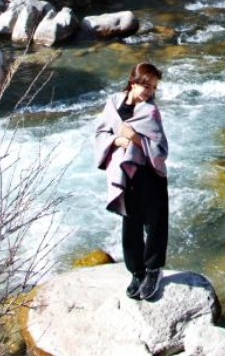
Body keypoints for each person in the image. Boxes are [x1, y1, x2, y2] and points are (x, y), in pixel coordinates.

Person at [94, 63, 169, 301]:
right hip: (124, 174)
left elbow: (160, 149)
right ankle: (137, 272)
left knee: (155, 224)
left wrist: (135, 138)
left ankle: (153, 270)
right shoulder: (113, 103)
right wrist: (117, 141)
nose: (149, 91)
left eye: (153, 87)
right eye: (146, 85)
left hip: (149, 174)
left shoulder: (151, 111)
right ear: (133, 81)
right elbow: (100, 133)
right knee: (131, 224)